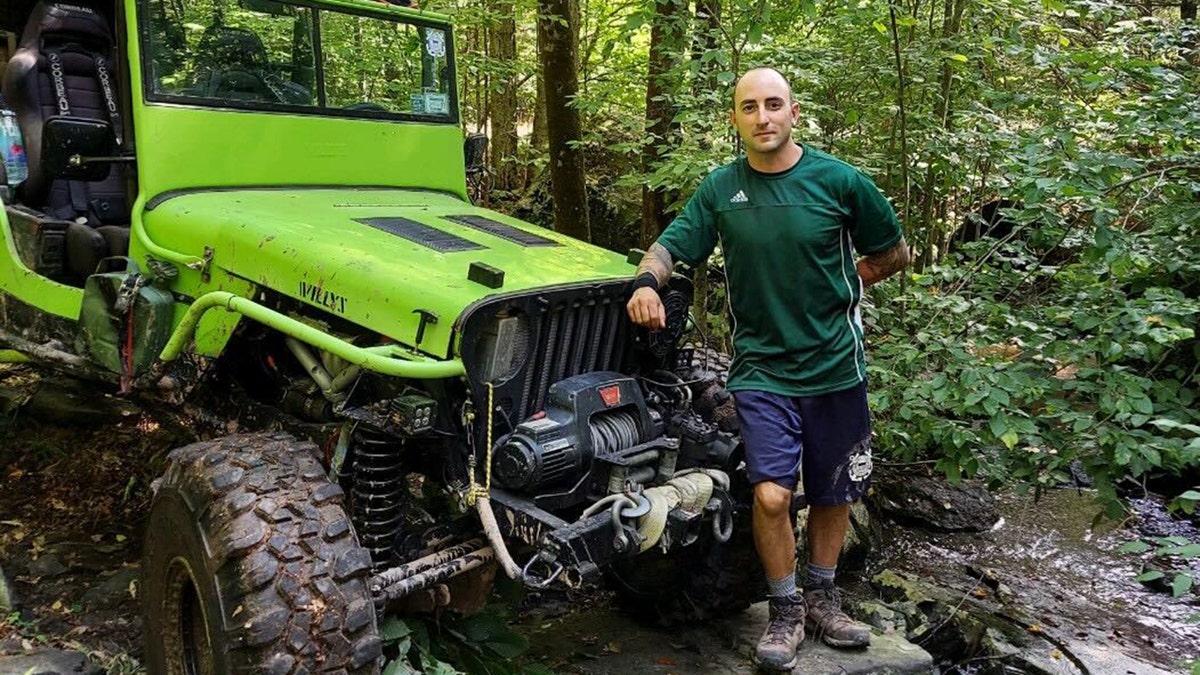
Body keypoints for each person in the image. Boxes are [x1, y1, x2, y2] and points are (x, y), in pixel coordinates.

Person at [626, 66, 910, 672]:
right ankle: (785, 610)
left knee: (836, 491)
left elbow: (893, 251)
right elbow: (671, 246)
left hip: (837, 367)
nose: (763, 117)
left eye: (773, 104)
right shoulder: (722, 190)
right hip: (761, 371)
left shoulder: (838, 181)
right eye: (749, 107)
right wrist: (647, 282)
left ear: (793, 112)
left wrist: (846, 286)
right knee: (774, 495)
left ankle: (825, 597)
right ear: (735, 119)